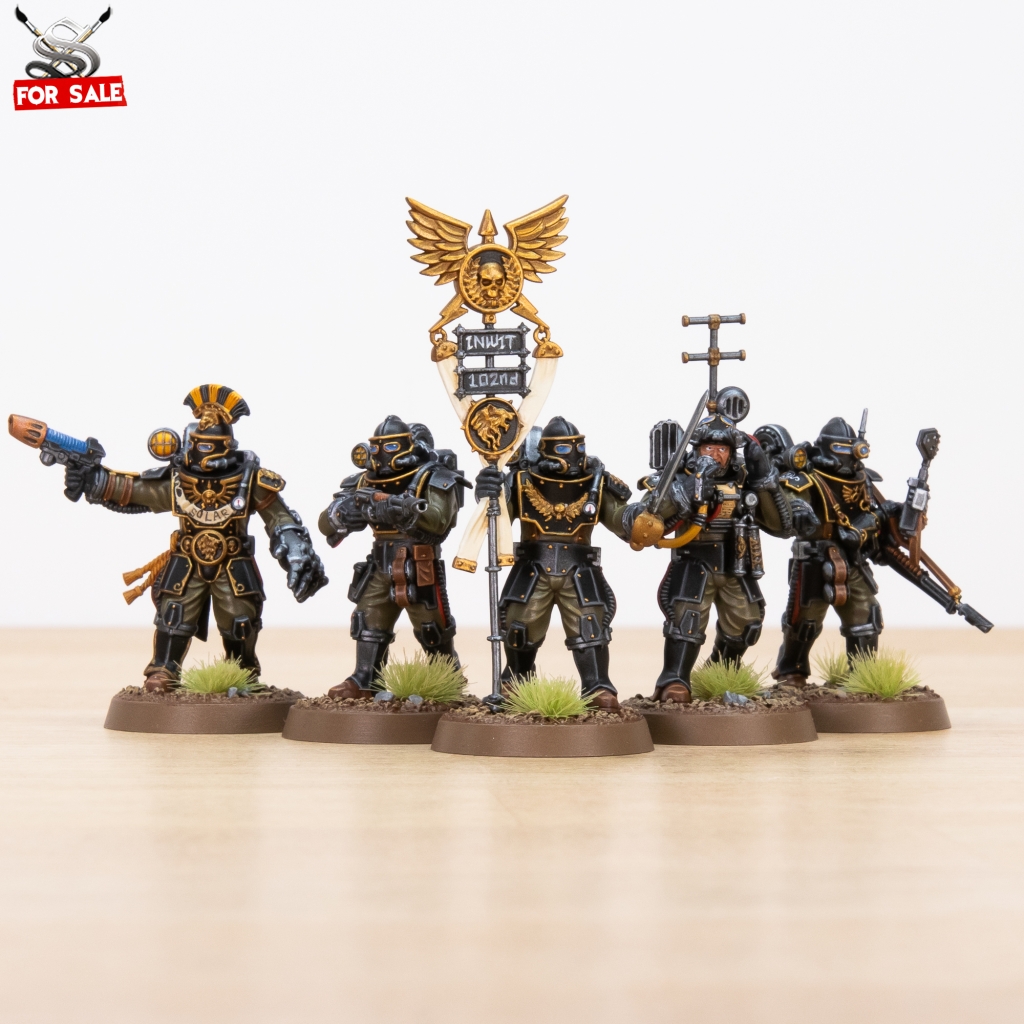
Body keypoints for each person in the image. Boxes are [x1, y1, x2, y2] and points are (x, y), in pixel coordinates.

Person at [61, 384, 327, 690]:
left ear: (228, 445)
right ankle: (163, 669)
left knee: (240, 619)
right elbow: (133, 490)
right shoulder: (179, 478)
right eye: (199, 444)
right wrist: (92, 479)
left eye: (211, 445)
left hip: (233, 561)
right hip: (187, 560)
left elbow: (280, 518)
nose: (204, 454)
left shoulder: (251, 478)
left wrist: (295, 548)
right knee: (173, 613)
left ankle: (242, 674)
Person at [622, 414, 792, 702]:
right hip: (694, 561)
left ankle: (722, 671)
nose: (715, 455)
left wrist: (764, 479)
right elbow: (644, 522)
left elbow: (780, 526)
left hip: (735, 562)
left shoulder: (743, 479)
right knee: (686, 620)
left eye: (722, 449)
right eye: (708, 448)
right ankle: (674, 679)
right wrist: (687, 490)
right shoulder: (677, 476)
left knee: (748, 621)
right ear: (696, 449)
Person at [474, 416, 633, 711]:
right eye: (561, 450)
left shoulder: (596, 483)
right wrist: (488, 493)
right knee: (519, 625)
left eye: (576, 448)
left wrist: (637, 517)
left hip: (579, 569)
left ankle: (597, 685)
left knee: (590, 626)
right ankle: (516, 680)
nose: (571, 457)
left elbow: (620, 519)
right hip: (533, 567)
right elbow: (496, 519)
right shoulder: (521, 481)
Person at [318, 416, 468, 698]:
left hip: (420, 563)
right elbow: (326, 524)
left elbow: (439, 522)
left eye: (390, 447)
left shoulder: (433, 477)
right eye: (377, 448)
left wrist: (400, 509)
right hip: (379, 563)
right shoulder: (363, 480)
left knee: (432, 627)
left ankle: (447, 678)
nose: (382, 455)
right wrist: (342, 514)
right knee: (367, 620)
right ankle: (365, 679)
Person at [765, 416, 891, 686]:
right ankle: (791, 670)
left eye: (852, 449)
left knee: (866, 615)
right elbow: (791, 498)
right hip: (814, 557)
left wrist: (873, 525)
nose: (848, 456)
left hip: (852, 557)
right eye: (841, 449)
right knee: (804, 621)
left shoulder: (863, 479)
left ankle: (863, 677)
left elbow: (875, 512)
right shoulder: (807, 477)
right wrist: (798, 508)